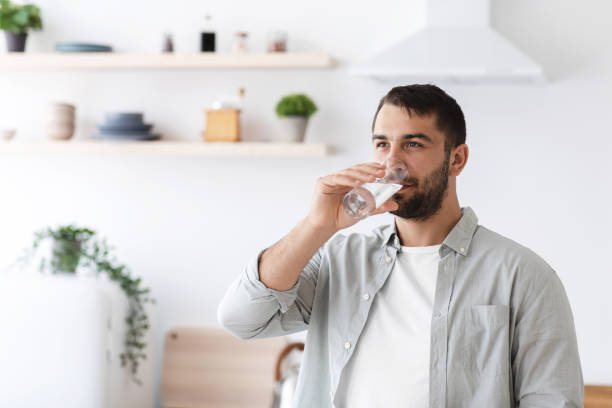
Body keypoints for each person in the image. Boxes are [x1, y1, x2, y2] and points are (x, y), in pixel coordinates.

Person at [217, 84, 583, 407]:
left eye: (412, 144)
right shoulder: (339, 259)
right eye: (382, 144)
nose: (392, 163)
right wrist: (317, 225)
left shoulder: (524, 275)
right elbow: (241, 320)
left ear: (456, 159)